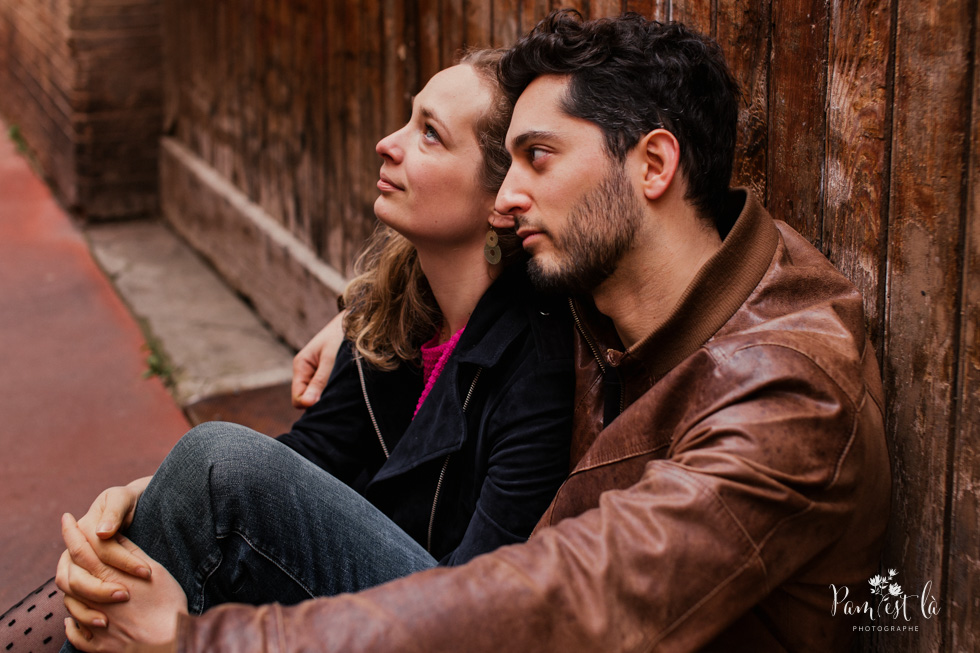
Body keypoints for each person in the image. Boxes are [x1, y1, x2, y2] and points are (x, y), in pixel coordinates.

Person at [70, 9, 891, 652]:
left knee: (220, 469)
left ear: (652, 166)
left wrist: (202, 642)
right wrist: (357, 314)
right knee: (188, 499)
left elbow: (579, 601)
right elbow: (459, 288)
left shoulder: (787, 398)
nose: (502, 200)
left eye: (535, 158)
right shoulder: (641, 275)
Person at [44, 47, 576, 652]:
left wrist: (195, 634)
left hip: (443, 620)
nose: (387, 142)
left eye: (429, 135)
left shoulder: (535, 363)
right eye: (408, 119)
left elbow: (480, 607)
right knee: (123, 550)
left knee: (217, 463)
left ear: (497, 197)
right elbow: (314, 454)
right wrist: (148, 489)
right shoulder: (400, 307)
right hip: (375, 596)